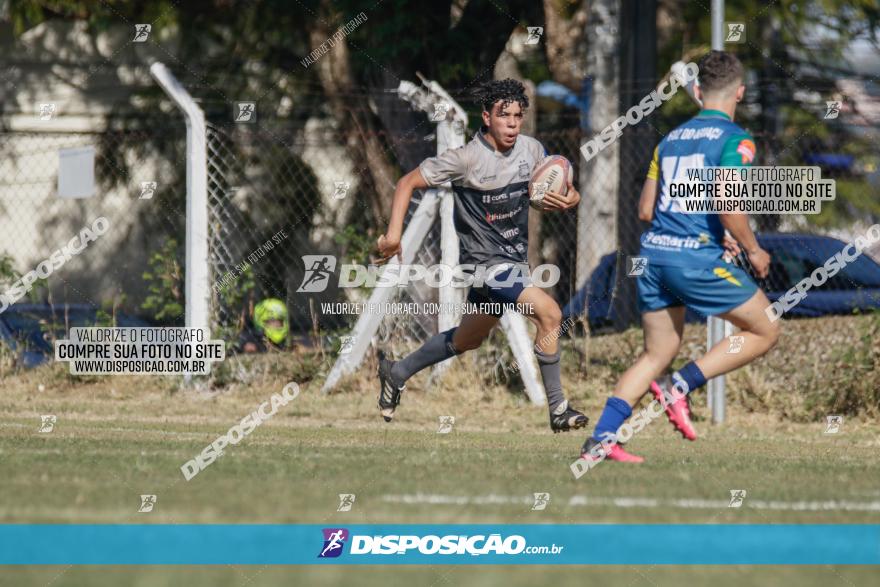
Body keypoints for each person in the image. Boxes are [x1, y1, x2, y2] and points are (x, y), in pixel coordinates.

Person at [580, 50, 781, 463]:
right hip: (693, 260)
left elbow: (646, 210)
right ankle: (681, 386)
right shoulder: (735, 140)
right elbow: (729, 204)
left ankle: (600, 439)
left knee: (656, 353)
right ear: (739, 92)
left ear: (697, 91)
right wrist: (753, 248)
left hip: (653, 257)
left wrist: (707, 226)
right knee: (766, 329)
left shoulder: (669, 140)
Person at [373, 78, 589, 433]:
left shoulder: (532, 150)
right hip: (485, 266)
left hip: (514, 261)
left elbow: (562, 190)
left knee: (468, 339)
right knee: (549, 314)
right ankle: (559, 409)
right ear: (486, 117)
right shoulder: (465, 159)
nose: (513, 124)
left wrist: (570, 198)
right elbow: (406, 182)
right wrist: (394, 236)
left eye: (519, 116)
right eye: (505, 116)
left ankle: (397, 371)